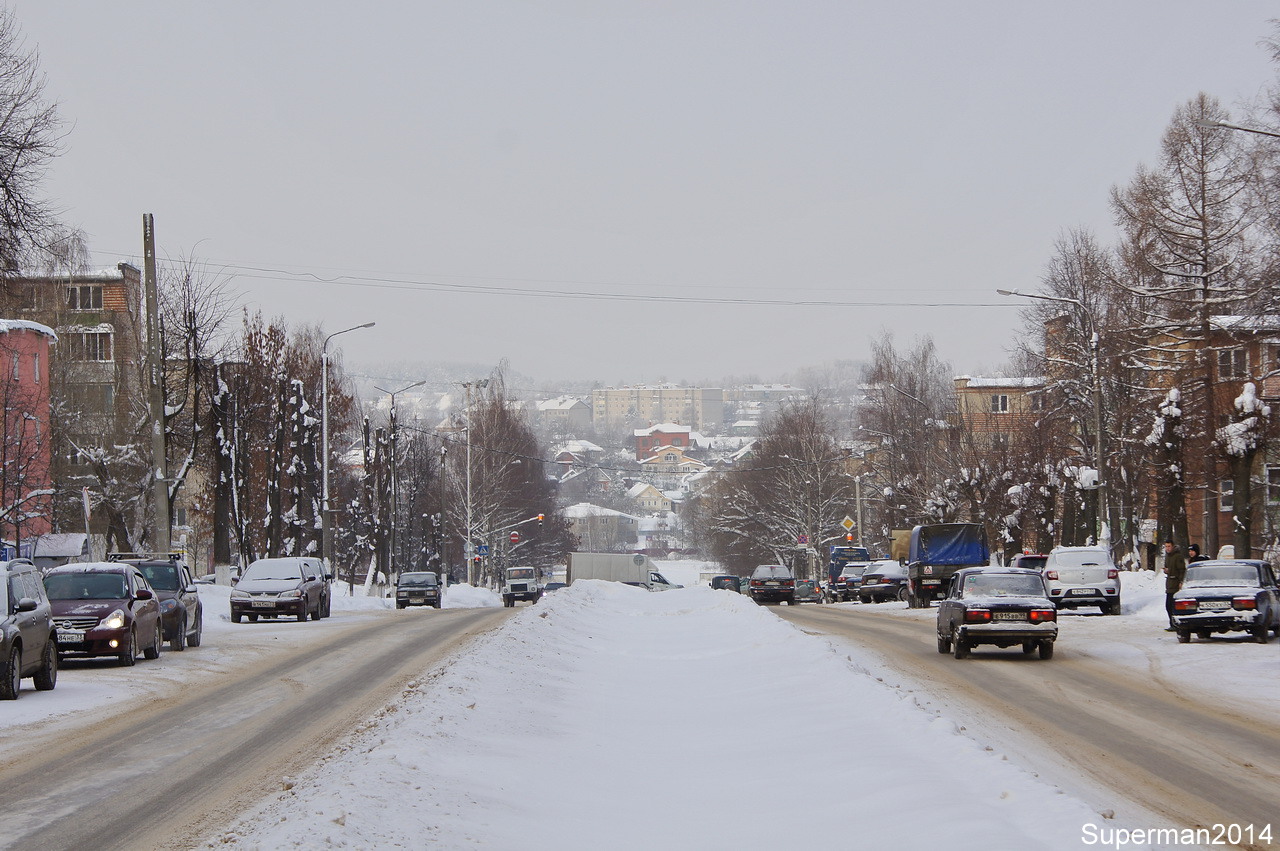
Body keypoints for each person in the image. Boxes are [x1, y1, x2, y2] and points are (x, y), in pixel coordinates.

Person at [1162, 540, 1186, 630]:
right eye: (1166, 546)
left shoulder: (1177, 556)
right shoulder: (1168, 556)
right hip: (1169, 583)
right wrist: (1166, 570)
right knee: (1168, 605)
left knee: (1172, 605)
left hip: (1175, 583)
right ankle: (1172, 623)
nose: (1167, 548)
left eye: (1169, 546)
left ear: (1173, 546)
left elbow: (1181, 570)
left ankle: (1176, 624)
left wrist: (1181, 581)